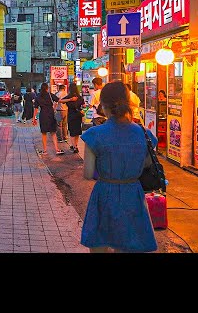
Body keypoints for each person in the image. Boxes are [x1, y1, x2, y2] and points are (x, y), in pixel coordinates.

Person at [80, 81, 158, 253]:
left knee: (100, 241)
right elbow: (146, 164)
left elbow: (87, 173)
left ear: (103, 106)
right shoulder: (144, 133)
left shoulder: (94, 134)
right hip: (132, 193)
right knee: (128, 244)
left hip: (105, 193)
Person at [33, 82, 63, 155]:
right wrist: (70, 99)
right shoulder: (50, 95)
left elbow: (36, 109)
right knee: (53, 133)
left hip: (43, 115)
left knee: (44, 133)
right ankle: (57, 149)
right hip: (50, 114)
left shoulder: (38, 97)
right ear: (47, 88)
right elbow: (59, 101)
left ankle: (45, 150)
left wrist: (34, 118)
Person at [58, 82, 85, 154]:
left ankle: (74, 147)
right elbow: (84, 105)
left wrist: (70, 100)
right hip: (78, 116)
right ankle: (75, 145)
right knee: (77, 132)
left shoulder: (69, 96)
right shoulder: (80, 97)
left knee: (72, 131)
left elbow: (60, 101)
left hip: (71, 115)